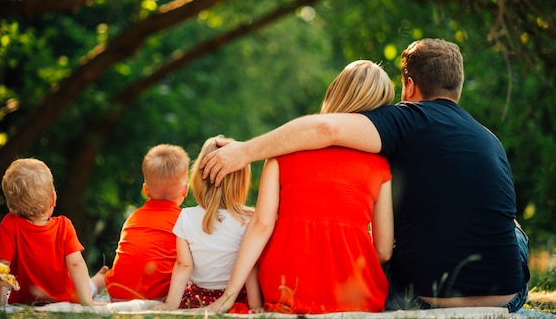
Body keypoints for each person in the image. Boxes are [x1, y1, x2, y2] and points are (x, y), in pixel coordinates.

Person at [200, 38, 530, 313]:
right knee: (514, 231)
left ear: (409, 85)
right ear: (456, 87)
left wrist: (243, 152)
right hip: (507, 298)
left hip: (422, 299)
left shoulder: (406, 119)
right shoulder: (489, 139)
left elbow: (326, 126)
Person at [204, 60, 395, 314]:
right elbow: (383, 251)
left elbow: (261, 226)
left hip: (287, 290)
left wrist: (227, 298)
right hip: (357, 294)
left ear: (334, 91)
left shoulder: (282, 152)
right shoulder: (381, 165)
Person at [152, 136, 262, 312]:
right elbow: (249, 268)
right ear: (241, 182)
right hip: (235, 298)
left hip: (198, 298)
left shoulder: (186, 217)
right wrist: (256, 306)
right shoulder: (248, 220)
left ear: (199, 177)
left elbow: (183, 265)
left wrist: (171, 304)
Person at [0, 158, 108, 306]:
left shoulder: (9, 224)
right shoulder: (64, 226)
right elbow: (76, 264)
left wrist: (0, 302)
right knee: (87, 286)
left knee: (90, 285)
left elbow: (1, 266)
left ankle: (97, 282)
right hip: (68, 296)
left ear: (10, 205)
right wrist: (87, 301)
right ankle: (98, 281)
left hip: (25, 301)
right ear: (53, 199)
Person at [103, 144, 190, 301]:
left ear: (146, 190)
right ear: (185, 190)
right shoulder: (184, 220)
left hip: (117, 294)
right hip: (156, 297)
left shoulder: (133, 218)